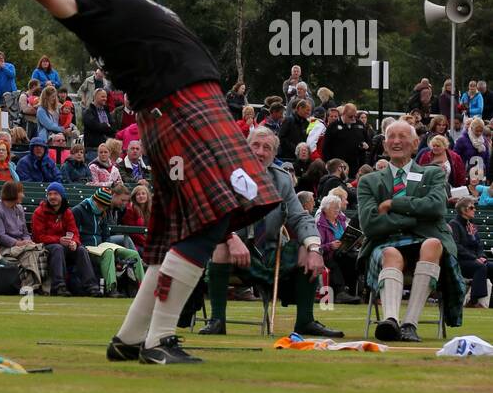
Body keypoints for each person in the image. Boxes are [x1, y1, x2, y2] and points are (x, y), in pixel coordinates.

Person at [0, 0, 278, 365]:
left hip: (196, 109)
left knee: (182, 237)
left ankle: (130, 338)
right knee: (205, 226)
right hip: (179, 112)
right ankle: (160, 342)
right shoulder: (86, 5)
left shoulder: (128, 0)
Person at [199, 126, 338, 339]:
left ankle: (305, 321)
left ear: (274, 155)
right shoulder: (227, 174)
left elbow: (299, 217)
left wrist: (314, 247)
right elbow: (213, 214)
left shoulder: (282, 180)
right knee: (221, 246)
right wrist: (231, 237)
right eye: (255, 145)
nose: (260, 152)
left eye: (267, 148)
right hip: (236, 249)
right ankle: (217, 320)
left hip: (272, 252)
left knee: (305, 250)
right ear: (244, 147)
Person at [357, 120, 465, 342]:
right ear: (385, 145)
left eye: (403, 136)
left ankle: (409, 324)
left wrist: (394, 205)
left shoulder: (433, 174)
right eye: (392, 137)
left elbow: (436, 207)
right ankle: (391, 322)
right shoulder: (368, 181)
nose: (397, 141)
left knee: (433, 244)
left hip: (427, 242)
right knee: (391, 254)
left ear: (415, 143)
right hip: (385, 245)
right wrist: (415, 217)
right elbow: (370, 225)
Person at [30, 182, 100, 296]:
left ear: (62, 196)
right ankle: (59, 286)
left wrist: (74, 242)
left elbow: (74, 232)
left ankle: (92, 286)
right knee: (58, 248)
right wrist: (59, 240)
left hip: (64, 245)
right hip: (46, 246)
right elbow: (38, 237)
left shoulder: (67, 212)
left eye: (55, 194)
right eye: (50, 194)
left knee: (81, 249)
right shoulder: (39, 212)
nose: (52, 197)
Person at [73, 188, 145, 297]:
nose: (103, 209)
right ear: (95, 201)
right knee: (108, 253)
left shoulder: (103, 212)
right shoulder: (78, 211)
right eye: (101, 206)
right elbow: (74, 233)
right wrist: (83, 246)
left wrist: (106, 243)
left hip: (101, 246)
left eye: (105, 207)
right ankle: (111, 289)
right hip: (86, 247)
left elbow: (106, 233)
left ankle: (143, 288)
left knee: (133, 254)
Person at [0, 182, 44, 291]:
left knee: (39, 251)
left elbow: (25, 233)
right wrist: (18, 243)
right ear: (12, 193)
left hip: (22, 246)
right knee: (31, 252)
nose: (23, 195)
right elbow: (0, 235)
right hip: (6, 247)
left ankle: (34, 286)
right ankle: (34, 286)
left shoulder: (19, 208)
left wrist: (27, 241)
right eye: (21, 192)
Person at [315, 193, 361, 303]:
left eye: (338, 208)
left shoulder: (341, 220)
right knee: (333, 261)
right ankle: (340, 292)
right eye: (334, 208)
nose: (337, 211)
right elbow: (317, 247)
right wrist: (330, 245)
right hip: (327, 255)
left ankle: (352, 291)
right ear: (325, 209)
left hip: (344, 252)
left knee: (354, 259)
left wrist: (356, 242)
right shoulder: (319, 224)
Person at [448, 196, 492, 307]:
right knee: (480, 267)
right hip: (461, 261)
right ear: (463, 210)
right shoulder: (454, 224)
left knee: (490, 266)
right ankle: (473, 301)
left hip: (474, 260)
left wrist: (481, 256)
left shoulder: (471, 225)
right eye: (472, 207)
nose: (475, 209)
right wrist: (474, 258)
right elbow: (456, 246)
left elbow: (479, 245)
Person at [454, 118, 491, 182]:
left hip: (480, 175)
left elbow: (487, 159)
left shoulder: (483, 141)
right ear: (471, 128)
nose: (479, 133)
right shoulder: (462, 140)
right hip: (465, 175)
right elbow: (455, 157)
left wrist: (488, 175)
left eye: (481, 131)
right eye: (477, 131)